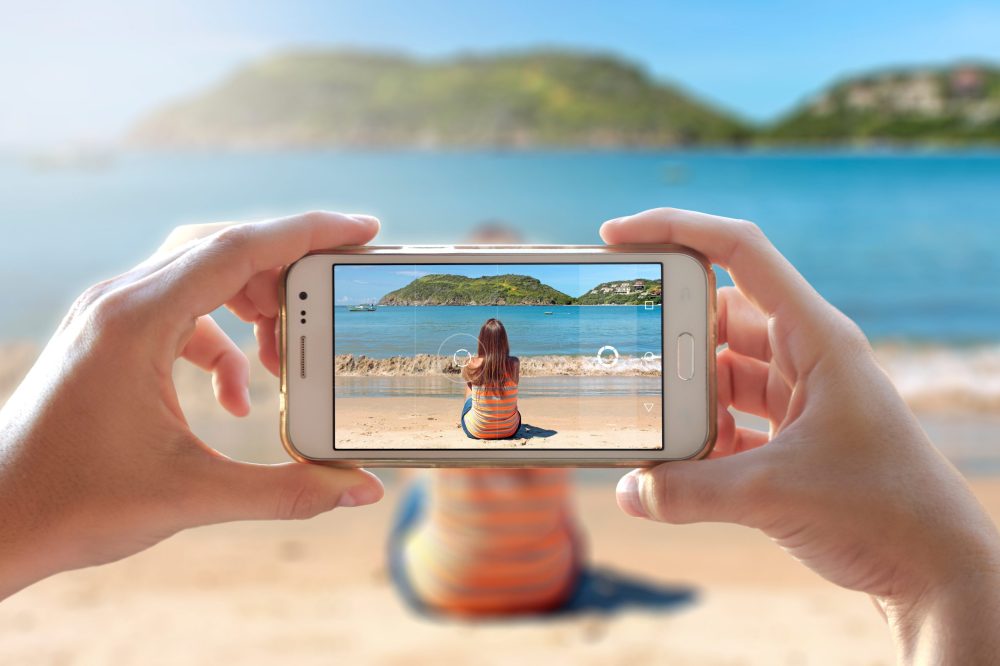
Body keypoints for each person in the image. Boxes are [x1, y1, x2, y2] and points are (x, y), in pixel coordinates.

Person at [0, 208, 997, 662]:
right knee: (545, 487)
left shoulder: (466, 384)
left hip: (442, 580)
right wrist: (946, 579)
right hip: (544, 576)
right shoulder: (517, 380)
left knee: (424, 497)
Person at [459, 318, 521, 440]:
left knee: (470, 383)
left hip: (477, 430)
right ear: (504, 341)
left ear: (482, 340)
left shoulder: (473, 363)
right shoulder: (514, 363)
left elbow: (465, 377)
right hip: (510, 430)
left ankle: (480, 417)